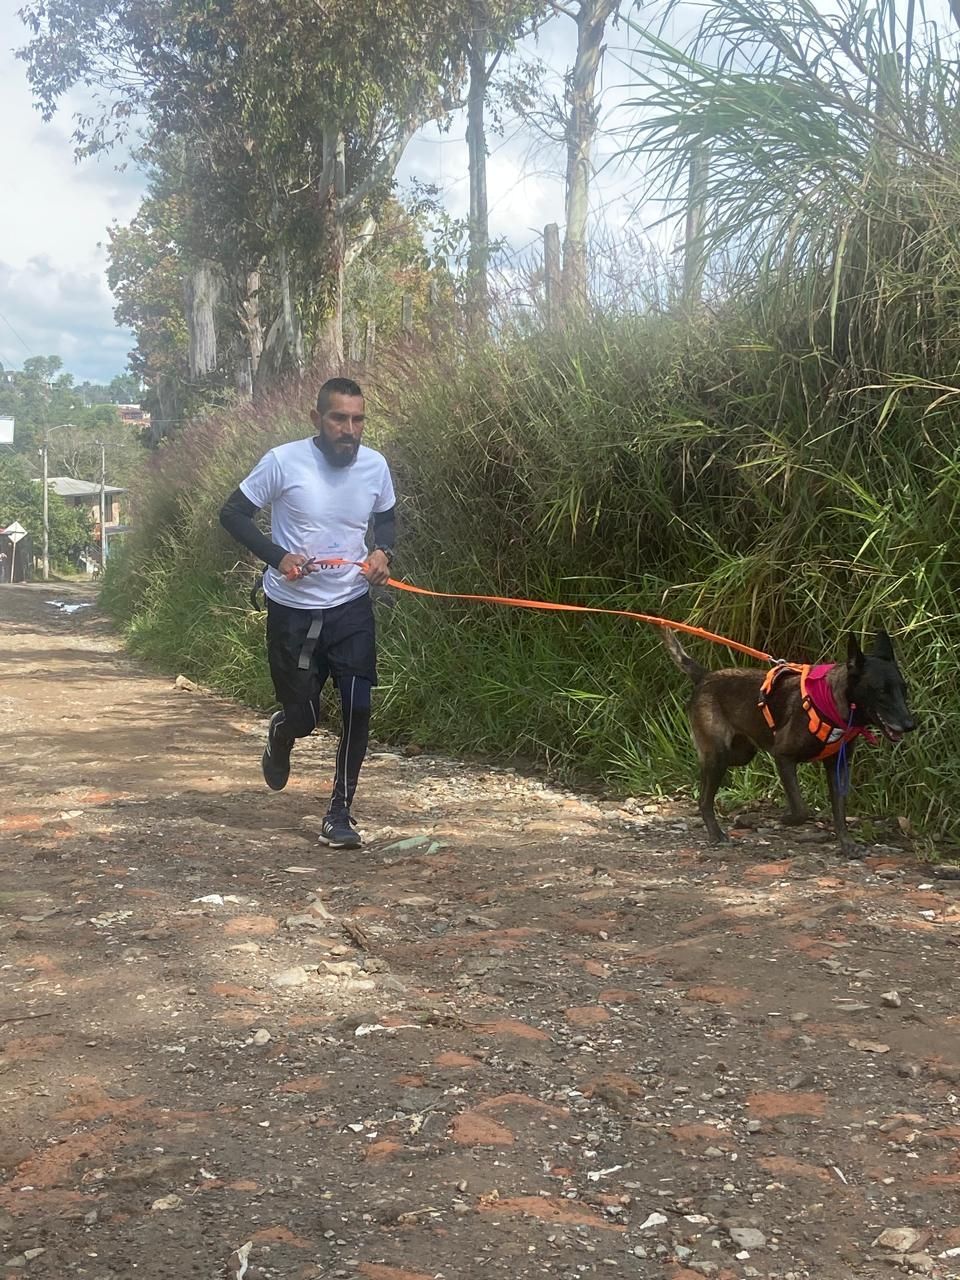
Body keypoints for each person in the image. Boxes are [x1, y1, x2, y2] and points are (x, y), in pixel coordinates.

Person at [219, 377, 396, 849]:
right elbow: (232, 513)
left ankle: (340, 812)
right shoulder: (283, 461)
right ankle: (282, 731)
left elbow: (388, 517)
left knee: (359, 707)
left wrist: (384, 553)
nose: (349, 429)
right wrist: (278, 557)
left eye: (358, 419)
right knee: (304, 717)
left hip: (350, 604)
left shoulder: (375, 466)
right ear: (316, 418)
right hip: (293, 611)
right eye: (339, 418)